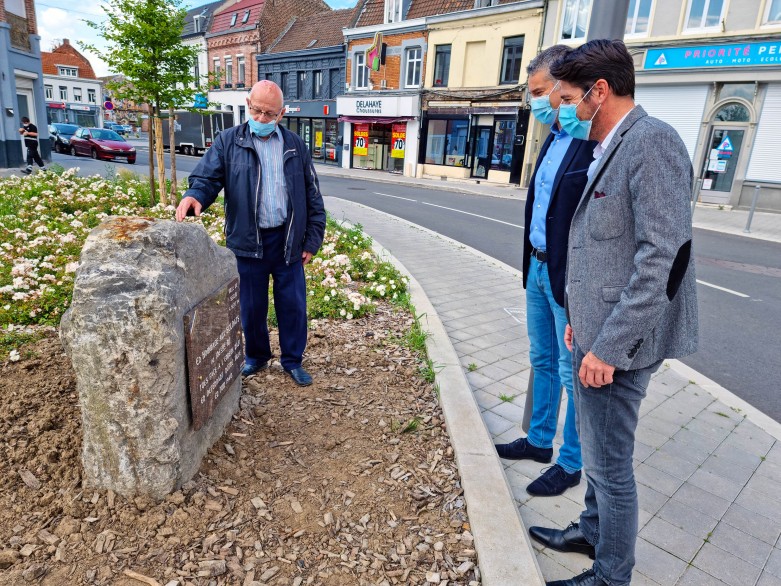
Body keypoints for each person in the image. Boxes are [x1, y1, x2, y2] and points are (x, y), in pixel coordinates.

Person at [528, 40, 698, 586]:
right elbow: (606, 251)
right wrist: (583, 313)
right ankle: (592, 531)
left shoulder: (652, 144)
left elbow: (661, 260)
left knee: (609, 467)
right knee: (601, 456)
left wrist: (608, 344)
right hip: (597, 331)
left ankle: (610, 575)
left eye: (573, 98)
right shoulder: (614, 144)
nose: (568, 110)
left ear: (600, 92)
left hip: (620, 346)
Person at [176, 80, 326, 387]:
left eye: (268, 114)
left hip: (287, 241)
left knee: (293, 305)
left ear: (281, 114)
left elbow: (313, 196)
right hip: (248, 240)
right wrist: (195, 195)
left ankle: (292, 360)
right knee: (251, 306)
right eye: (255, 110)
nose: (260, 119)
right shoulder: (229, 141)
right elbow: (207, 177)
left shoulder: (295, 146)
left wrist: (312, 239)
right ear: (248, 104)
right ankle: (256, 356)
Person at [494, 45, 595, 497]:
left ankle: (570, 462)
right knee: (541, 361)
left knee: (570, 370)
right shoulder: (554, 137)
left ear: (563, 87)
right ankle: (538, 442)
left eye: (539, 91)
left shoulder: (592, 142)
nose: (534, 102)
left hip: (566, 278)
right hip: (535, 269)